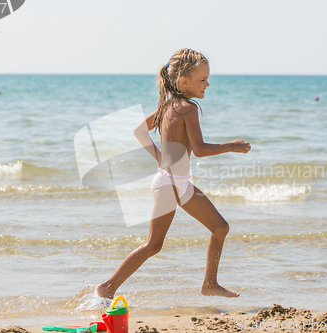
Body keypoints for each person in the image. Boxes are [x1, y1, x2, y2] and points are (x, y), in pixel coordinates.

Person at [96, 48, 251, 300]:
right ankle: (107, 287)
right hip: (172, 185)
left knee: (216, 229)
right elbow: (199, 150)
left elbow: (138, 130)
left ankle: (209, 284)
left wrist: (159, 158)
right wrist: (231, 146)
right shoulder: (188, 108)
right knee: (157, 244)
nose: (208, 84)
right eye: (203, 80)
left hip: (173, 182)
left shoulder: (168, 106)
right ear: (183, 81)